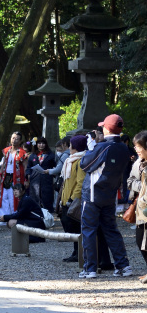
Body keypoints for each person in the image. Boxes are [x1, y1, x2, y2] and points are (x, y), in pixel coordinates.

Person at [79, 114, 132, 279]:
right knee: (111, 230)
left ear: (106, 128)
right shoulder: (124, 148)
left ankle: (90, 268)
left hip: (93, 194)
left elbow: (84, 164)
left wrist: (91, 146)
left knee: (88, 230)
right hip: (111, 195)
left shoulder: (102, 147)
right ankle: (123, 265)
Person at [59, 134, 87, 262]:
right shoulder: (70, 160)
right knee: (71, 227)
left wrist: (72, 199)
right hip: (66, 199)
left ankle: (79, 253)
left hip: (73, 201)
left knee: (76, 228)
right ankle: (75, 252)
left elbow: (80, 183)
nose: (69, 147)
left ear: (75, 147)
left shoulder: (80, 161)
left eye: (70, 145)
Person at [0, 132, 28, 218]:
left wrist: (26, 180)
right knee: (3, 196)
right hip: (5, 176)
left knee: (13, 196)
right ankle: (3, 217)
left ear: (20, 141)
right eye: (13, 138)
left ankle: (14, 217)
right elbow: (3, 164)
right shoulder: (6, 150)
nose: (14, 140)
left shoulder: (22, 152)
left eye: (17, 139)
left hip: (17, 178)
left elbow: (26, 167)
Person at [132, 131, 147, 283]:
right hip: (142, 207)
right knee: (140, 240)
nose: (136, 149)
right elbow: (131, 181)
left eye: (138, 146)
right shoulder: (139, 163)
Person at [26, 137, 56, 212]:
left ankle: (48, 218)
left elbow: (55, 167)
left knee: (47, 199)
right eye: (39, 143)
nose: (41, 145)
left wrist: (51, 172)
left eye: (43, 143)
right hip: (35, 180)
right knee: (35, 199)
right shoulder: (33, 156)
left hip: (47, 180)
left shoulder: (51, 155)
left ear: (46, 144)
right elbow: (28, 167)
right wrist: (28, 176)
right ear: (36, 144)